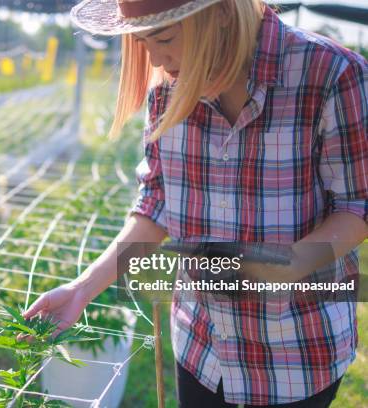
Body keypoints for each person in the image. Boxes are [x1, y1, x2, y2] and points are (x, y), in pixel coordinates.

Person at [24, 0, 368, 407]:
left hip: (294, 352)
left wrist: (284, 266)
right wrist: (83, 289)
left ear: (221, 13)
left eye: (165, 37)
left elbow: (356, 206)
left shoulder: (331, 75)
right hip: (202, 346)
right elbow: (155, 206)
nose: (155, 58)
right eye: (142, 41)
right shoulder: (166, 92)